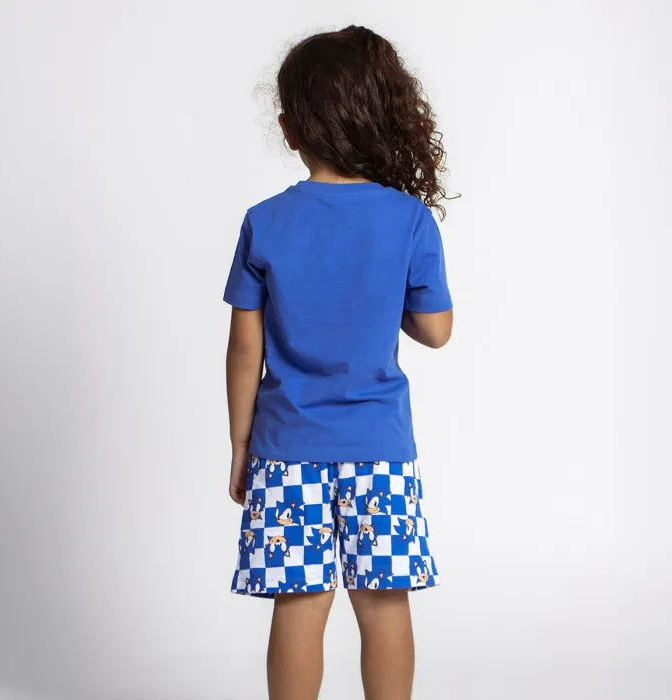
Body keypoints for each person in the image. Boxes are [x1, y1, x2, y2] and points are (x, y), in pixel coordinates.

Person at [223, 25, 454, 700]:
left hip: (286, 447)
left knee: (299, 604)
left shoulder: (265, 221)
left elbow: (244, 349)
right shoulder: (408, 220)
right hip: (379, 448)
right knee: (384, 603)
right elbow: (436, 331)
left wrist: (241, 445)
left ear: (291, 128)